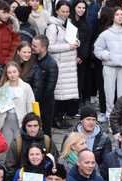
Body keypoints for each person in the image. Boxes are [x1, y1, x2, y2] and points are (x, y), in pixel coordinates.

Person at [94, 7, 122, 118]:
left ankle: (120, 116)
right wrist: (107, 56)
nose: (120, 17)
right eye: (117, 14)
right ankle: (110, 116)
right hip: (110, 67)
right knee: (109, 93)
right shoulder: (106, 34)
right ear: (113, 17)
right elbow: (97, 49)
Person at [46, 0, 80, 128]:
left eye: (67, 11)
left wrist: (76, 43)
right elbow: (50, 47)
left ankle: (60, 117)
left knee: (66, 95)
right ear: (57, 11)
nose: (65, 14)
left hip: (69, 64)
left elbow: (74, 40)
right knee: (59, 94)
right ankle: (56, 119)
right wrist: (69, 46)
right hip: (59, 64)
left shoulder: (69, 24)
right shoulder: (52, 27)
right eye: (63, 11)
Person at [0, 62, 35, 146]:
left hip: (21, 120)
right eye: (9, 72)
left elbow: (30, 105)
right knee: (6, 144)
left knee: (20, 144)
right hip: (6, 120)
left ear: (18, 72)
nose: (12, 75)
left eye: (14, 72)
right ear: (6, 74)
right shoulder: (4, 87)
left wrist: (30, 122)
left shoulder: (26, 87)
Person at [31, 34, 59, 137]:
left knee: (45, 129)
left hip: (45, 103)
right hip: (34, 99)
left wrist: (38, 101)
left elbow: (50, 88)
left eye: (35, 46)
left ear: (43, 48)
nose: (31, 47)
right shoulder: (33, 58)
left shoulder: (51, 64)